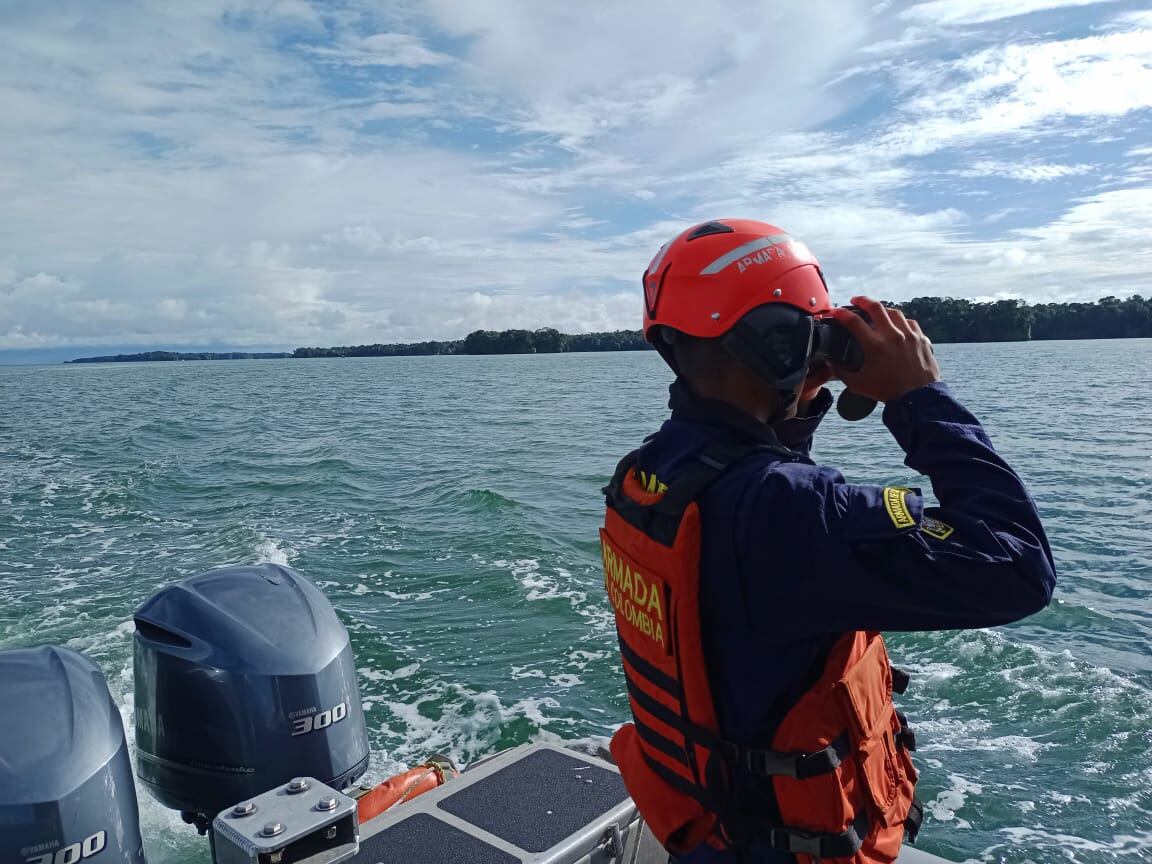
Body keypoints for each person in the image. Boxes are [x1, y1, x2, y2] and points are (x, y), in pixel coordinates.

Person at [600, 219, 1057, 864]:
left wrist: (796, 390)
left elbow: (754, 491)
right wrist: (920, 398)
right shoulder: (794, 515)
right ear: (780, 345)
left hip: (713, 833)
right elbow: (1018, 566)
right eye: (812, 336)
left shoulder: (652, 476)